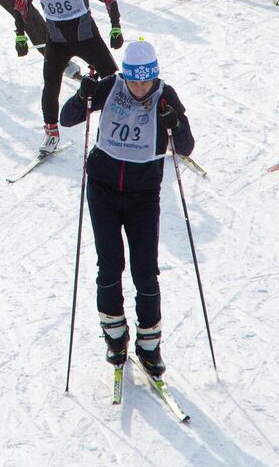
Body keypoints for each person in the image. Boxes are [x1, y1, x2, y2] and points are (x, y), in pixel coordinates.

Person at [59, 40, 196, 381]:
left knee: (145, 271)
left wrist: (175, 123)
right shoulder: (111, 87)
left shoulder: (164, 96)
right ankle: (115, 339)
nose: (138, 88)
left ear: (154, 76)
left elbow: (186, 147)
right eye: (133, 81)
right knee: (109, 266)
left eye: (145, 81)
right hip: (103, 190)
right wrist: (81, 96)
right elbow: (67, 118)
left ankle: (149, 347)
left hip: (143, 197)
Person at [14, 0, 122, 152]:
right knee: (50, 85)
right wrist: (20, 35)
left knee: (114, 81)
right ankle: (51, 134)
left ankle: (121, 125)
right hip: (57, 42)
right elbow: (20, 5)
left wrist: (115, 27)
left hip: (87, 38)